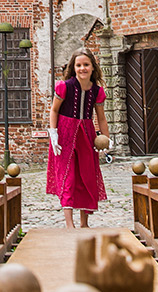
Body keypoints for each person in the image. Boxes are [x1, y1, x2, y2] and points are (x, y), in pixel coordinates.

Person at [46, 48, 110, 228]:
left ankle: (84, 223)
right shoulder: (64, 87)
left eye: (86, 65)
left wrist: (106, 138)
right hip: (65, 132)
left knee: (86, 176)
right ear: (74, 68)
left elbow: (101, 118)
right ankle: (69, 224)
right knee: (68, 175)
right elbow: (54, 110)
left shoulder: (97, 91)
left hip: (87, 133)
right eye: (79, 65)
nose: (82, 68)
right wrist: (53, 133)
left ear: (92, 67)